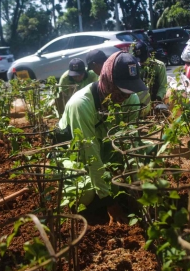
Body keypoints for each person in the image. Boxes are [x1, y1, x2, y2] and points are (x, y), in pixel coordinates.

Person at [58, 51, 147, 224]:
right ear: (107, 82)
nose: (125, 98)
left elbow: (129, 143)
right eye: (121, 91)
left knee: (146, 161)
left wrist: (137, 186)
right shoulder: (81, 104)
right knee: (85, 194)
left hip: (103, 145)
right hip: (73, 151)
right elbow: (90, 153)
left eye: (130, 91)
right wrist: (110, 203)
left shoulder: (130, 99)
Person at [132, 42, 167, 107]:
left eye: (143, 60)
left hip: (155, 100)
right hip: (138, 102)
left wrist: (158, 99)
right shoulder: (134, 67)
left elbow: (163, 86)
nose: (141, 62)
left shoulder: (159, 66)